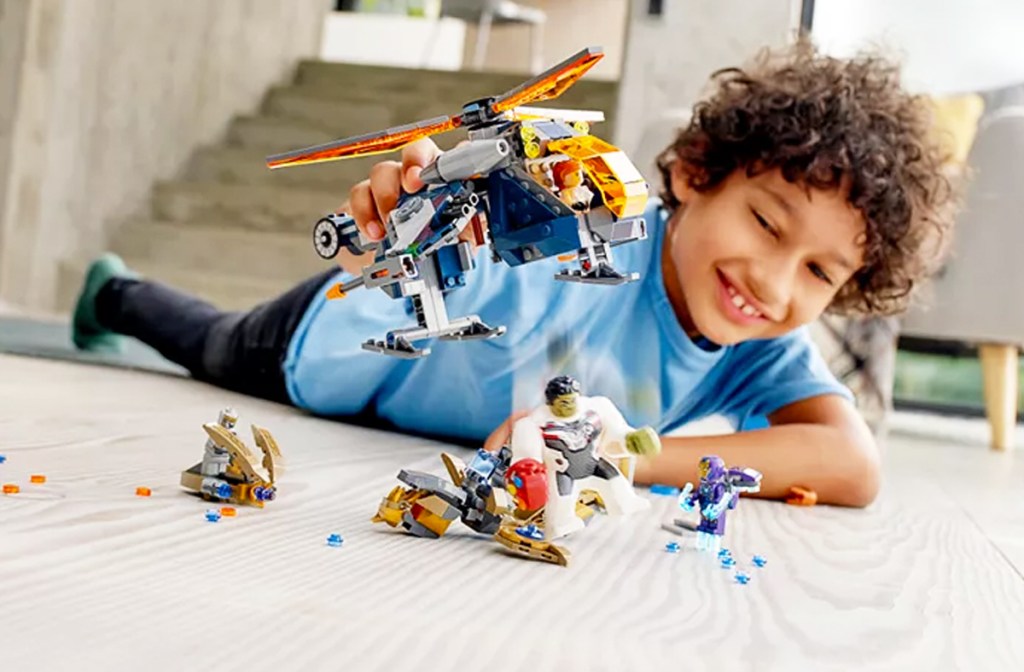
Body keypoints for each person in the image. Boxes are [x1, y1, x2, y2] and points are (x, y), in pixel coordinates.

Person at [70, 40, 957, 507]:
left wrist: (622, 457)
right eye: (767, 223)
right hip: (331, 353)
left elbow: (850, 462)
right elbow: (427, 252)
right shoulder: (580, 217)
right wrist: (404, 217)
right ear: (692, 171)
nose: (775, 284)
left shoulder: (761, 346)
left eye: (822, 273)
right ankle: (113, 292)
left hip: (416, 409)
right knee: (209, 340)